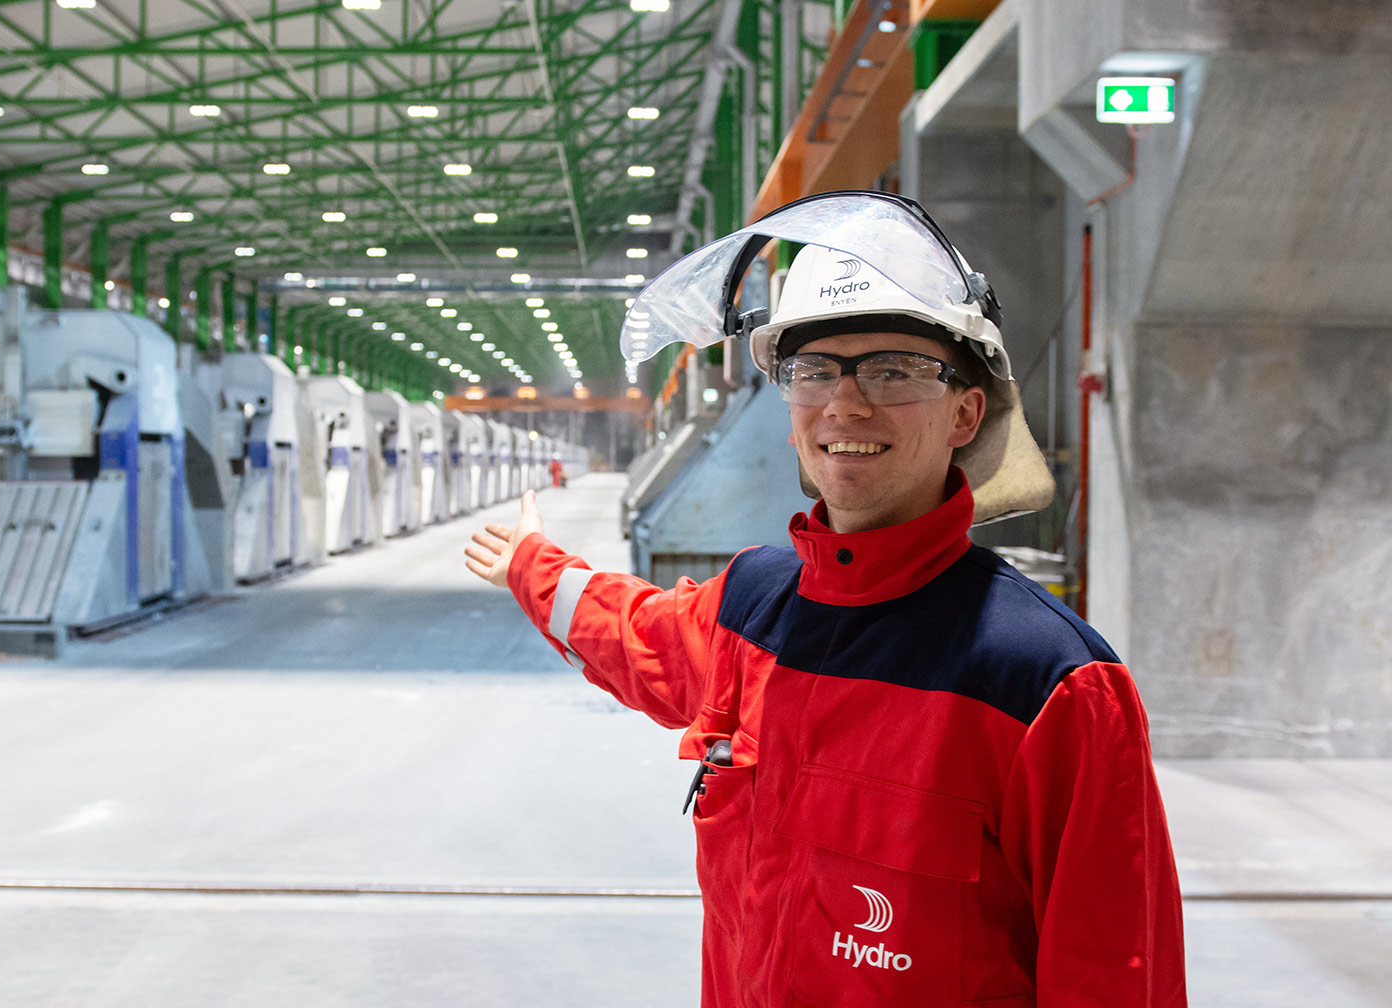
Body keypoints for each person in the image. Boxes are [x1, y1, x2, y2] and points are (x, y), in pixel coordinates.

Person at [464, 191, 1186, 1007]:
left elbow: (1119, 977)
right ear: (788, 408)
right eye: (814, 371)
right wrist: (532, 564)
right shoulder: (750, 607)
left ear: (965, 411)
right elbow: (635, 636)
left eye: (893, 370)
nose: (846, 403)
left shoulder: (1048, 684)